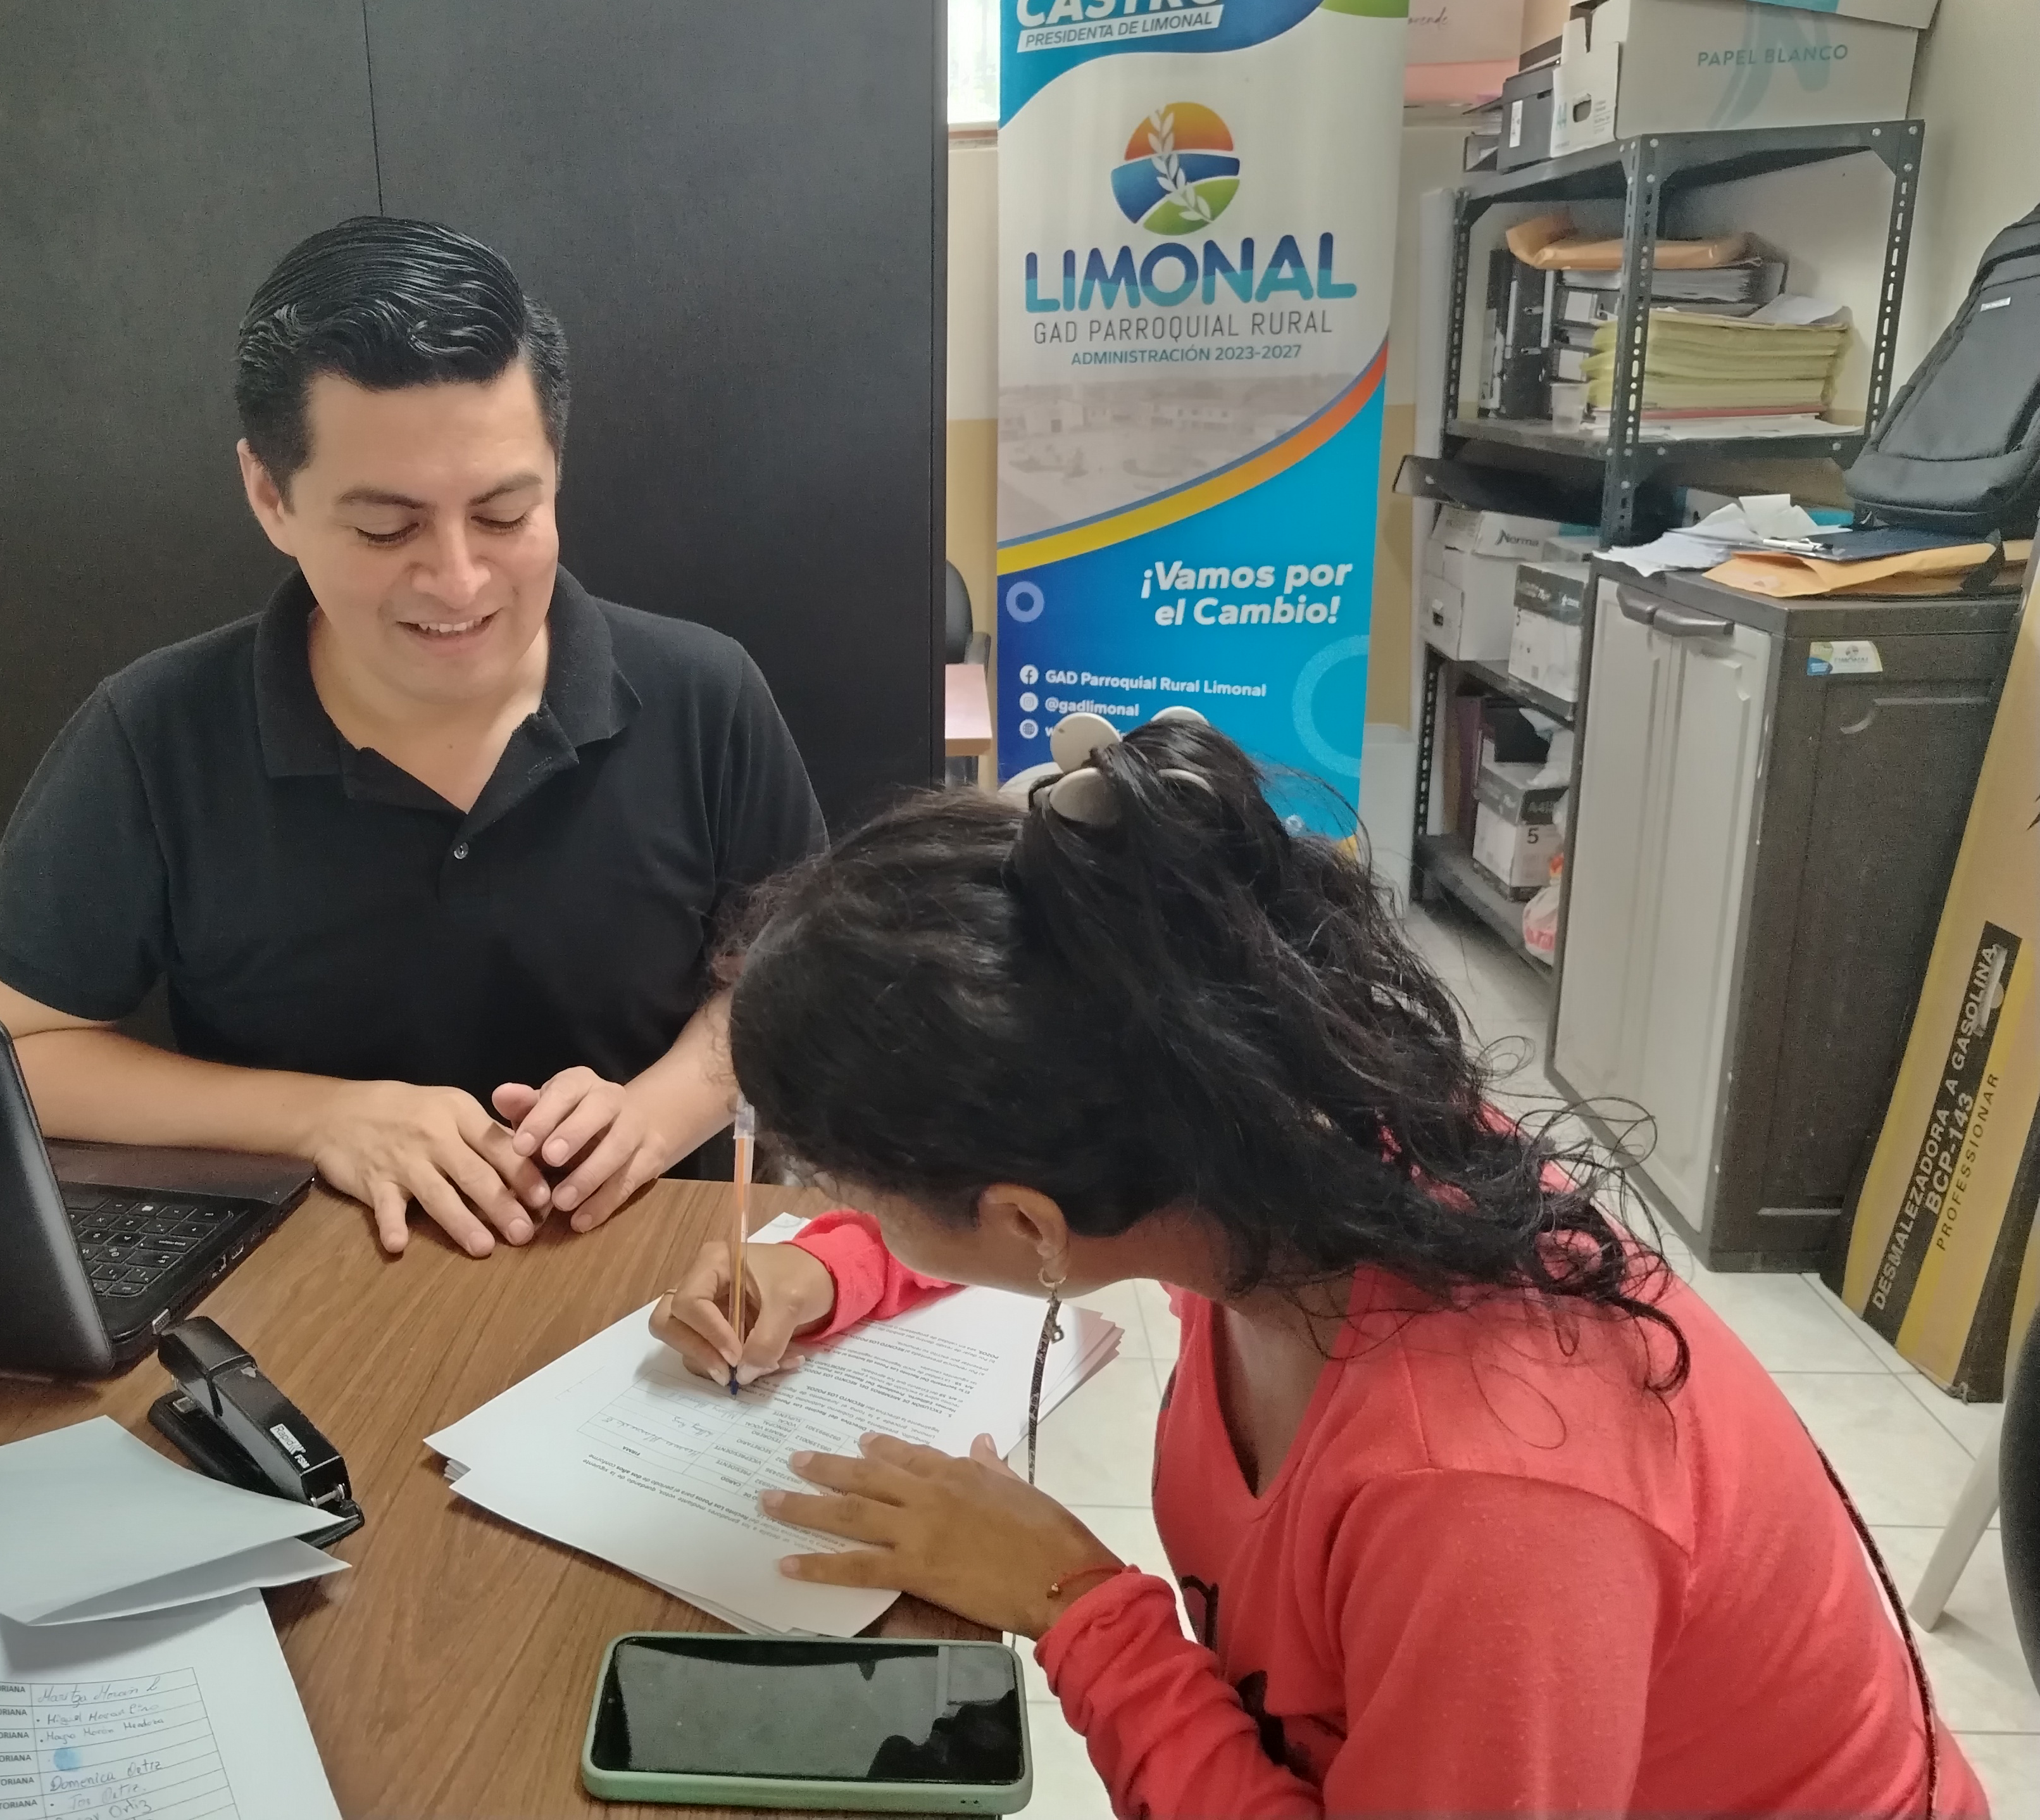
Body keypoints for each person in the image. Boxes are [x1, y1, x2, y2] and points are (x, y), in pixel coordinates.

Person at [650, 715, 1986, 1817]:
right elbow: (1067, 1159)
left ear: (1024, 1222)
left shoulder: (1485, 1498)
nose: (857, 1214)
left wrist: (1076, 1605)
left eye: (859, 1193)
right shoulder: (1262, 1146)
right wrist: (832, 1272)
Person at [0, 217, 824, 1258]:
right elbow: (16, 1052)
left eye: (504, 515)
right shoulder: (153, 736)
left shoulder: (705, 695)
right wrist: (321, 1117)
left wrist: (662, 1107)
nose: (458, 582)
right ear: (270, 495)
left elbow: (794, 976)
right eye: (386, 528)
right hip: (300, 1283)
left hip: (648, 1271)